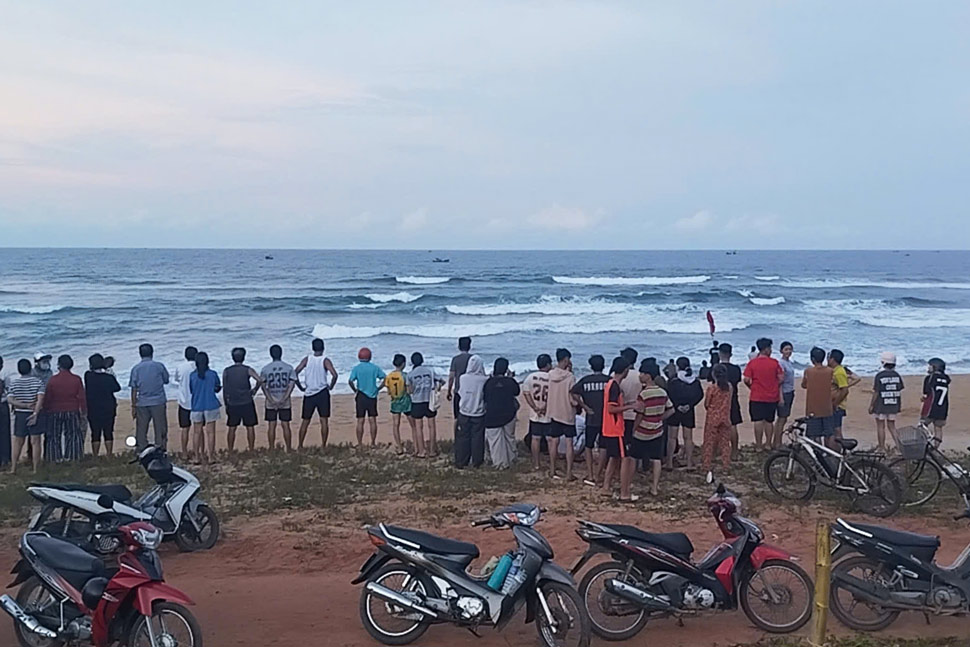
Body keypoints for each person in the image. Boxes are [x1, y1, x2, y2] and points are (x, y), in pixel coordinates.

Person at [633, 360, 675, 497]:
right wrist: (659, 418)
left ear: (648, 376)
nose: (640, 375)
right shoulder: (662, 392)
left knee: (634, 457)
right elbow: (671, 410)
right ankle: (655, 487)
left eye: (642, 373)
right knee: (656, 459)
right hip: (657, 430)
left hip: (642, 431)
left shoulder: (644, 394)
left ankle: (631, 483)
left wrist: (634, 429)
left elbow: (639, 414)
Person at [600, 357, 638, 501]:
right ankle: (624, 493)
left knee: (614, 458)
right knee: (625, 459)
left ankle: (606, 487)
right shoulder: (614, 386)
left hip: (610, 427)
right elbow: (611, 408)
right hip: (615, 428)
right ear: (625, 370)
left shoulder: (611, 384)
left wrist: (627, 403)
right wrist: (630, 407)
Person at [572, 355, 610, 487]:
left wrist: (584, 406)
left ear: (591, 366)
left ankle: (590, 474)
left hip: (591, 418)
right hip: (606, 418)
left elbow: (573, 392)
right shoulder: (609, 381)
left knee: (588, 446)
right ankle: (599, 474)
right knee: (603, 447)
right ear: (604, 365)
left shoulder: (585, 380)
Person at [295, 338, 338, 449]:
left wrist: (300, 386)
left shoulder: (307, 359)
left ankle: (300, 445)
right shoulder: (325, 360)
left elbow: (295, 372)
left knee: (305, 421)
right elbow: (334, 374)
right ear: (323, 348)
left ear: (312, 348)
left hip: (309, 393)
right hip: (322, 392)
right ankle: (323, 445)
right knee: (324, 420)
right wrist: (331, 386)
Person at [743, 337, 783, 451]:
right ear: (765, 349)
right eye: (770, 348)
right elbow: (781, 378)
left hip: (757, 396)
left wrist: (751, 387)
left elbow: (746, 379)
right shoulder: (774, 363)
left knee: (758, 421)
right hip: (772, 396)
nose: (771, 350)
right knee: (769, 421)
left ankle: (759, 445)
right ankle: (768, 444)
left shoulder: (752, 363)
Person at [44, 355, 87, 462]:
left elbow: (48, 397)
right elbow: (81, 397)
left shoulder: (53, 380)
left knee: (53, 436)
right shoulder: (76, 379)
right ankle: (72, 457)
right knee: (73, 435)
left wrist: (46, 409)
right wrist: (83, 412)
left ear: (59, 365)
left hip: (55, 410)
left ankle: (54, 458)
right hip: (72, 410)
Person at [129, 343, 170, 450]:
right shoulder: (159, 366)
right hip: (158, 401)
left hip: (142, 402)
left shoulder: (136, 369)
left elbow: (134, 389)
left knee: (141, 429)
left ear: (140, 354)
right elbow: (166, 380)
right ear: (152, 353)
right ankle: (161, 448)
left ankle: (142, 449)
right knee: (160, 428)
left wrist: (133, 405)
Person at [665, 357, 704, 469]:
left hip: (675, 409)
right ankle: (689, 463)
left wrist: (677, 405)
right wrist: (690, 405)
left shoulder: (673, 380)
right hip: (689, 410)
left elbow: (669, 394)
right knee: (688, 438)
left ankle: (669, 463)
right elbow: (699, 395)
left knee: (672, 437)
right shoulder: (694, 380)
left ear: (677, 366)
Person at [222, 347, 263, 452]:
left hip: (233, 402)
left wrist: (226, 403)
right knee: (250, 426)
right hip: (247, 401)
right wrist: (254, 390)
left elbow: (225, 389)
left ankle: (230, 450)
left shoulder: (227, 371)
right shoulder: (247, 369)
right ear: (244, 357)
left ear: (233, 358)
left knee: (232, 427)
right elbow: (260, 380)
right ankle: (251, 448)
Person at [8, 358, 45, 473]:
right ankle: (35, 469)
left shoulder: (14, 383)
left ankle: (13, 468)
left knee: (18, 442)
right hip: (34, 413)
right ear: (30, 369)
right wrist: (35, 413)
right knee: (35, 442)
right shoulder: (37, 382)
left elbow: (10, 399)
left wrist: (23, 405)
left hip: (20, 414)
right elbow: (40, 399)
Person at [546, 348, 578, 481]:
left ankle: (553, 470)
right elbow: (572, 397)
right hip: (567, 413)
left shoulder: (551, 374)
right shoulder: (570, 377)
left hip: (554, 412)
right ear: (565, 360)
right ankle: (569, 473)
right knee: (569, 443)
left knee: (554, 442)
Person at [483, 357, 519, 469]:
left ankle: (500, 463)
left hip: (492, 415)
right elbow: (517, 392)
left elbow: (485, 397)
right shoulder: (510, 382)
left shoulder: (489, 382)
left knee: (495, 441)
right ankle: (512, 458)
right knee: (509, 437)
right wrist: (510, 378)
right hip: (509, 414)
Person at [260, 345, 298, 451]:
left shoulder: (265, 369)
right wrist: (284, 399)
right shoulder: (288, 367)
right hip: (285, 401)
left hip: (270, 401)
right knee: (285, 425)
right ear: (281, 353)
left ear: (270, 354)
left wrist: (271, 400)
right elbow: (291, 386)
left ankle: (271, 448)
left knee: (271, 425)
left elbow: (263, 387)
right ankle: (289, 448)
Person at [84, 353, 121, 457]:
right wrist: (108, 370)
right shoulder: (108, 377)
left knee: (95, 432)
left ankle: (95, 455)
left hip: (93, 407)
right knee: (108, 431)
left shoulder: (88, 376)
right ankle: (109, 454)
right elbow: (117, 388)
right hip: (108, 406)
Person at [407, 352, 443, 457]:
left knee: (419, 427)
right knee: (432, 426)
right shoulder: (430, 371)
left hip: (417, 401)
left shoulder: (411, 374)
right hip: (429, 401)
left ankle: (421, 451)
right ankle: (432, 450)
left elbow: (410, 391)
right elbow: (442, 381)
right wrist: (437, 389)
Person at [703, 363, 734, 483]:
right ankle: (726, 465)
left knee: (709, 443)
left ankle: (707, 465)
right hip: (725, 417)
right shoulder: (729, 387)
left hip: (712, 418)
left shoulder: (712, 388)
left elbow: (706, 404)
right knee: (725, 443)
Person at [349, 347, 385, 447]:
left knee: (360, 420)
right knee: (372, 420)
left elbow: (350, 381)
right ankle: (373, 442)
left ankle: (359, 443)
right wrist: (378, 388)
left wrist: (355, 390)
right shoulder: (375, 368)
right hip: (372, 395)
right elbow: (385, 378)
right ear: (370, 357)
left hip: (361, 395)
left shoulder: (357, 368)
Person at [456, 355, 487, 468]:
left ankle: (461, 461)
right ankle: (477, 461)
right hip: (478, 412)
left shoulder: (463, 378)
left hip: (464, 411)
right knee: (477, 438)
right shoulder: (484, 380)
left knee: (462, 438)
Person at [189, 352, 221, 462]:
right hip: (210, 404)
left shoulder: (192, 375)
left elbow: (192, 390)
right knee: (211, 432)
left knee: (197, 432)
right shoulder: (212, 374)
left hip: (197, 405)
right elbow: (217, 387)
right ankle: (211, 456)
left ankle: (197, 457)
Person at [523, 354, 552, 471]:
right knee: (550, 439)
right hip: (548, 413)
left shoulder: (530, 377)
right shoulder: (551, 377)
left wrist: (534, 407)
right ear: (548, 364)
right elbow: (553, 395)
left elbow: (526, 393)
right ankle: (552, 463)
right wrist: (545, 407)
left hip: (535, 414)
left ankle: (536, 464)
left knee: (535, 439)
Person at [802, 347, 836, 449]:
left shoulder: (808, 371)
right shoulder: (830, 371)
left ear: (812, 359)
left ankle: (819, 454)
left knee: (815, 435)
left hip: (813, 408)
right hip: (827, 407)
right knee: (829, 433)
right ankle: (830, 452)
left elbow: (804, 385)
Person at [870, 351, 904, 452]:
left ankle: (881, 447)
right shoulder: (897, 375)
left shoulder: (879, 376)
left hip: (881, 405)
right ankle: (899, 446)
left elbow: (876, 392)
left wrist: (871, 405)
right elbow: (899, 389)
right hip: (893, 404)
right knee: (892, 426)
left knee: (880, 426)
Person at [385, 354, 415, 455]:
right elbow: (409, 390)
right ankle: (416, 444)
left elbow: (389, 391)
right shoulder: (405, 376)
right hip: (405, 401)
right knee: (413, 425)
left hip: (395, 402)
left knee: (396, 425)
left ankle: (399, 447)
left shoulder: (389, 376)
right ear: (403, 364)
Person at [717, 343, 743, 458]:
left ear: (719, 353)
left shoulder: (716, 368)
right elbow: (737, 381)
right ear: (731, 354)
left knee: (718, 425)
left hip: (719, 398)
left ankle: (719, 450)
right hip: (733, 398)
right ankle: (734, 451)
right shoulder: (736, 369)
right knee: (733, 425)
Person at [172, 346, 198, 457]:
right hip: (197, 401)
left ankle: (184, 452)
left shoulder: (180, 367)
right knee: (198, 429)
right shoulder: (200, 367)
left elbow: (177, 379)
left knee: (185, 429)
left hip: (184, 401)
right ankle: (198, 452)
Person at [828, 349, 859, 440]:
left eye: (829, 358)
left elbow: (845, 390)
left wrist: (835, 404)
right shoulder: (834, 370)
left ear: (833, 359)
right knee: (833, 428)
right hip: (835, 404)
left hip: (838, 406)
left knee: (837, 429)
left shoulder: (839, 372)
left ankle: (841, 449)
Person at [446, 336, 472, 434]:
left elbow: (451, 377)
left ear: (459, 346)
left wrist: (449, 391)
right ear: (469, 346)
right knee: (469, 416)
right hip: (470, 392)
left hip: (458, 391)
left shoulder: (455, 359)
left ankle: (457, 438)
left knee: (457, 417)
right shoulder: (473, 359)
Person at [921, 357, 950, 441]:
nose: (928, 367)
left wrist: (923, 398)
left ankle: (925, 444)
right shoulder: (946, 379)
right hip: (943, 408)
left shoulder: (929, 378)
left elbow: (926, 393)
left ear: (934, 367)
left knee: (922, 426)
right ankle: (935, 447)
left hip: (931, 407)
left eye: (930, 366)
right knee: (938, 428)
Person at [774, 341, 796, 449]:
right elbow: (779, 381)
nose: (788, 351)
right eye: (786, 349)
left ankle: (777, 441)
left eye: (790, 349)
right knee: (781, 419)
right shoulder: (781, 363)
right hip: (784, 393)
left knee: (784, 418)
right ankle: (777, 442)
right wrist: (780, 397)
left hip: (790, 392)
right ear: (781, 351)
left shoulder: (789, 363)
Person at [0, 356, 10, 468]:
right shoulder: (5, 377)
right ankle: (5, 459)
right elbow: (9, 392)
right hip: (2, 405)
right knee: (4, 432)